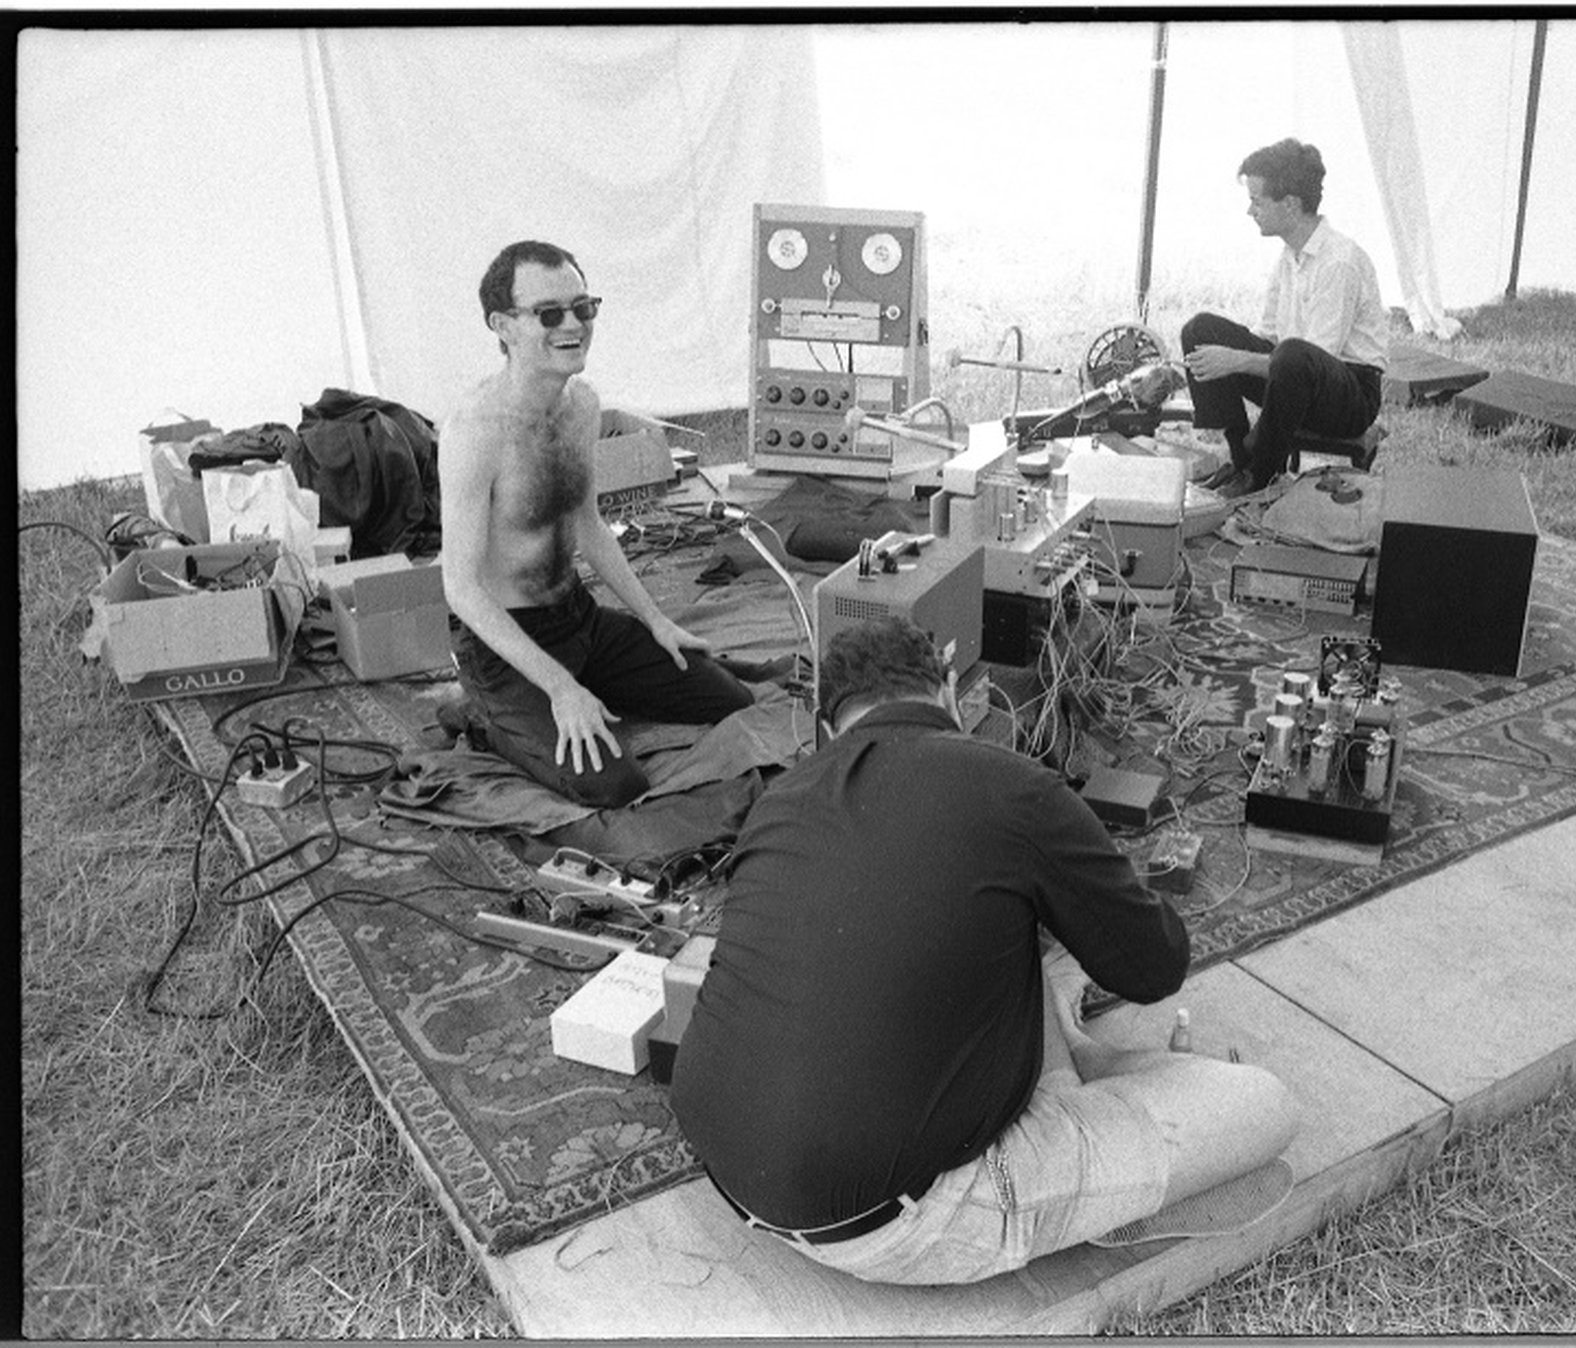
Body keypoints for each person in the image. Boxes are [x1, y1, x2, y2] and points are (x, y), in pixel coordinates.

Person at [670, 617, 1300, 1285]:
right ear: (949, 688)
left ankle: (1088, 1076)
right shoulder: (1013, 785)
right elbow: (1154, 965)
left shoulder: (778, 803)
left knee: (1005, 932)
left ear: (829, 726)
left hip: (734, 1175)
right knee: (1265, 1104)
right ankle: (1101, 1075)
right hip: (905, 1220)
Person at [438, 240, 753, 809]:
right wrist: (559, 687)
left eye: (584, 308)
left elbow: (589, 525)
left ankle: (586, 685)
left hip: (577, 617)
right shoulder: (474, 431)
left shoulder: (581, 405)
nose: (574, 325)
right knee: (614, 786)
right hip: (506, 640)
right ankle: (482, 713)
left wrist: (655, 621)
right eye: (550, 313)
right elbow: (459, 587)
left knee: (727, 698)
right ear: (503, 325)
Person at [1181, 137, 1391, 498]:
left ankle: (1260, 474)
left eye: (1257, 201)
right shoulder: (1289, 255)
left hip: (1349, 394)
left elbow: (1311, 359)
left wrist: (1238, 360)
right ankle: (1240, 460)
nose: (1251, 212)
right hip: (1296, 374)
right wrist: (1227, 357)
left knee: (1291, 356)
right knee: (1202, 330)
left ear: (1291, 205)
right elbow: (1270, 339)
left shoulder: (1339, 262)